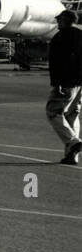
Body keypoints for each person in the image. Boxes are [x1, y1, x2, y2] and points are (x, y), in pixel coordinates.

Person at [47, 10, 82, 164]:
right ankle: (72, 155)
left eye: (59, 20)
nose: (57, 22)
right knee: (72, 114)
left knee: (53, 112)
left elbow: (57, 64)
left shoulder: (59, 38)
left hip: (66, 82)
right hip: (80, 84)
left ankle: (74, 142)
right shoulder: (80, 35)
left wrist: (57, 83)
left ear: (66, 20)